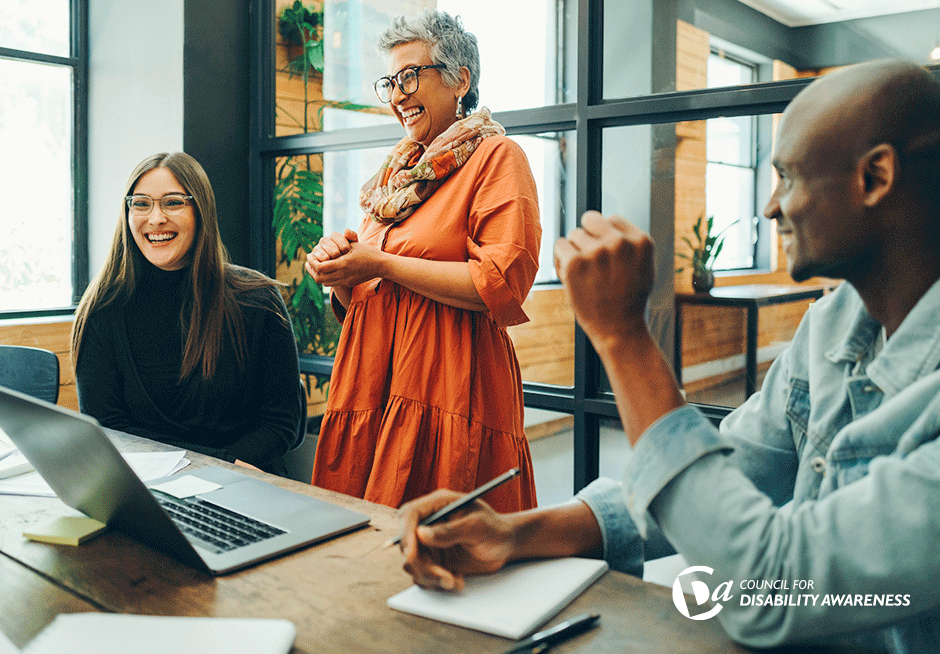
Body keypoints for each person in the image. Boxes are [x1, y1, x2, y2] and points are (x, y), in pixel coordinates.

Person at [395, 59, 940, 652]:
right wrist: (515, 533)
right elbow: (725, 473)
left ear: (875, 177)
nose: (771, 207)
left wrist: (624, 339)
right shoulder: (832, 323)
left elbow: (772, 586)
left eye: (788, 175)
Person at [305, 10, 541, 513]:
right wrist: (341, 271)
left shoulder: (497, 158)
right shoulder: (396, 176)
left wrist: (382, 264)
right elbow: (365, 300)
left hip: (449, 388)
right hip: (373, 384)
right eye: (390, 82)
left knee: (446, 547)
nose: (397, 95)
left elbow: (499, 284)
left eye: (411, 75)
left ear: (461, 80)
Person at [72, 152, 305, 475]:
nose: (155, 219)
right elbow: (108, 430)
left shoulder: (258, 299)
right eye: (141, 203)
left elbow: (281, 423)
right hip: (146, 489)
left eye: (173, 203)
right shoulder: (102, 308)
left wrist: (218, 470)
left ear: (201, 211)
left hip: (244, 483)